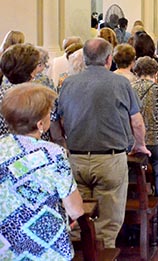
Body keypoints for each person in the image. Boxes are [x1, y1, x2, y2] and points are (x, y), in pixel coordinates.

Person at [56, 38, 149, 249]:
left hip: (76, 158)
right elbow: (136, 121)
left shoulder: (69, 83)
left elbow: (59, 119)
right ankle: (103, 253)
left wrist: (63, 142)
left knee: (80, 220)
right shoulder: (121, 83)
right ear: (109, 59)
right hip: (109, 159)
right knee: (108, 222)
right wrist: (140, 144)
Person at [0, 83, 85, 260]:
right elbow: (75, 209)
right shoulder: (52, 154)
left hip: (5, 248)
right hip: (47, 248)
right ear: (40, 124)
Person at [131, 57, 158, 241]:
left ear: (136, 72)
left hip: (135, 144)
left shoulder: (130, 88)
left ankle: (133, 229)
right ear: (156, 73)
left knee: (134, 183)